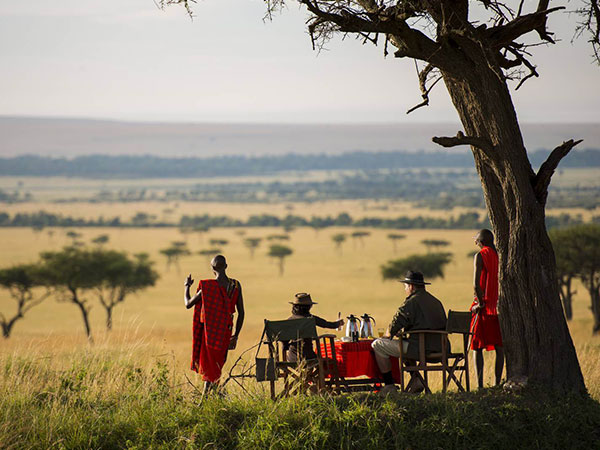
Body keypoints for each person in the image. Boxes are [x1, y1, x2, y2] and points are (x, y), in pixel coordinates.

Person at [372, 270, 448, 394]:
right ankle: (416, 379)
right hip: (441, 347)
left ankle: (389, 385)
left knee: (378, 345)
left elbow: (396, 323)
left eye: (405, 286)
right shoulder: (436, 301)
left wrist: (387, 335)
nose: (405, 289)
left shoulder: (412, 301)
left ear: (411, 286)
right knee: (404, 343)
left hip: (421, 348)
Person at [184, 255, 245, 395]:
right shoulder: (235, 285)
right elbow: (241, 313)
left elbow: (188, 304)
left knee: (212, 365)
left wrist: (186, 287)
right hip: (226, 332)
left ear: (212, 268)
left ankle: (207, 397)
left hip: (210, 333)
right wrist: (236, 335)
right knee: (216, 364)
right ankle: (215, 394)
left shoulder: (207, 287)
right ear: (226, 266)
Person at [471, 229, 504, 388]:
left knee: (477, 346)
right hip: (499, 307)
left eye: (476, 240)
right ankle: (497, 384)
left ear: (481, 242)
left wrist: (480, 303)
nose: (475, 243)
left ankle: (480, 385)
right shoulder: (500, 255)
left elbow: (476, 284)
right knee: (500, 346)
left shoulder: (480, 255)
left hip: (484, 307)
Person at [284, 293, 344, 362]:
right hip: (309, 356)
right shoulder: (311, 319)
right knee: (322, 362)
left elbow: (284, 341)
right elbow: (327, 324)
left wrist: (287, 347)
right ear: (309, 307)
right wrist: (338, 323)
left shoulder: (289, 321)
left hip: (292, 358)